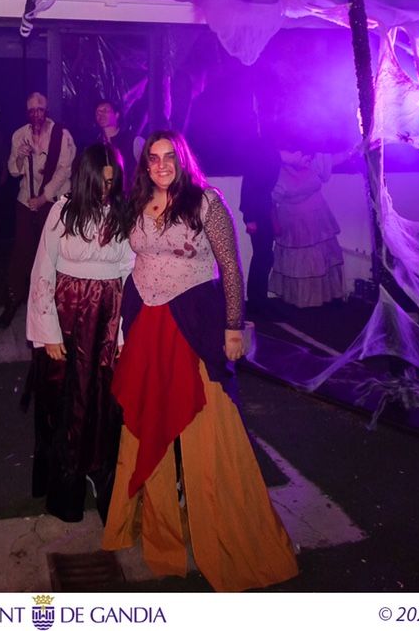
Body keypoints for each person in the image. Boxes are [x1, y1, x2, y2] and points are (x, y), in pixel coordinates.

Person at [102, 131, 298, 591]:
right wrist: (121, 330)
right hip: (146, 323)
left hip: (192, 321)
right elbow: (131, 264)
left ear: (183, 159)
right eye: (153, 158)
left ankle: (228, 534)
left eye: (170, 157)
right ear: (145, 165)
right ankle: (159, 533)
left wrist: (234, 326)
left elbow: (230, 266)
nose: (162, 165)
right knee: (144, 423)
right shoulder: (137, 203)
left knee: (208, 428)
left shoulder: (206, 201)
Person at [26, 144, 135, 522]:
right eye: (101, 181)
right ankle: (65, 488)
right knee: (65, 401)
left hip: (107, 316)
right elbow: (43, 270)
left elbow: (128, 273)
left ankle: (99, 474)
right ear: (86, 177)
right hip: (67, 314)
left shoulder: (123, 214)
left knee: (103, 401)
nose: (107, 188)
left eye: (113, 181)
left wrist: (121, 334)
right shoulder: (61, 211)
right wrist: (48, 332)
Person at [0, 92, 76, 328]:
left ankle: (53, 303)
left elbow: (64, 169)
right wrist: (20, 158)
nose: (36, 113)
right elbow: (13, 170)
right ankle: (14, 299)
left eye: (39, 108)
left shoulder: (61, 135)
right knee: (22, 250)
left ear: (46, 109)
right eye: (31, 109)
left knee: (53, 252)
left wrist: (44, 197)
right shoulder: (19, 135)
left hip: (53, 201)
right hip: (25, 200)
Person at [269, 148, 347, 308]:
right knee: (299, 260)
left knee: (318, 258)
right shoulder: (276, 170)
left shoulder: (315, 162)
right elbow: (271, 199)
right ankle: (299, 299)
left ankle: (321, 297)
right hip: (293, 221)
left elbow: (338, 157)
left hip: (316, 219)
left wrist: (356, 150)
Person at [239, 108, 282, 322]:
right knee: (262, 256)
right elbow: (249, 186)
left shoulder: (266, 150)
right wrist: (251, 218)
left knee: (264, 256)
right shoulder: (260, 152)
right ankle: (257, 302)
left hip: (261, 208)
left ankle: (259, 300)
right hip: (257, 210)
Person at [94, 97, 143, 169]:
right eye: (98, 112)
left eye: (105, 110)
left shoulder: (133, 140)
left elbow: (145, 168)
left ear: (116, 115)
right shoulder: (96, 143)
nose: (101, 114)